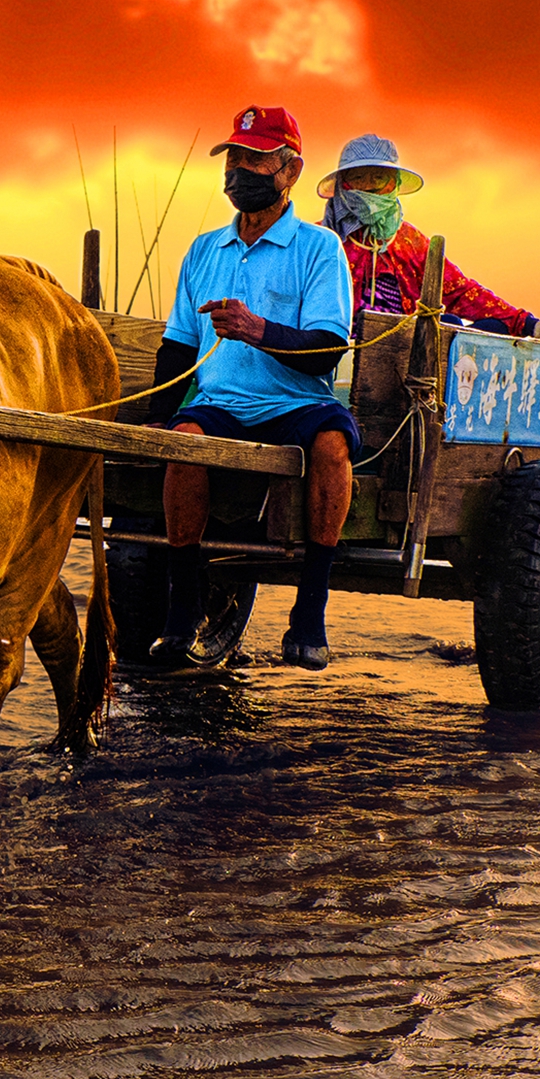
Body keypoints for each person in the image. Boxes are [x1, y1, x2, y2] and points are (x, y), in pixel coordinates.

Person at [146, 105, 357, 671]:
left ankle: (309, 612)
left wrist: (256, 329)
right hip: (222, 403)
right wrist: (154, 420)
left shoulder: (319, 249)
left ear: (288, 172)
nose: (238, 171)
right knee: (184, 441)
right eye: (233, 158)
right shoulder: (204, 249)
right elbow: (177, 350)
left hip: (297, 403)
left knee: (333, 447)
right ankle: (183, 611)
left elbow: (329, 349)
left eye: (254, 159)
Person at [319, 134, 540, 353]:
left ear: (394, 184)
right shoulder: (320, 241)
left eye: (379, 178)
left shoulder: (409, 242)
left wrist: (534, 326)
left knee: (483, 328)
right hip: (340, 351)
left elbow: (462, 292)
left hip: (406, 351)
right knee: (445, 326)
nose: (370, 188)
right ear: (344, 184)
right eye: (360, 178)